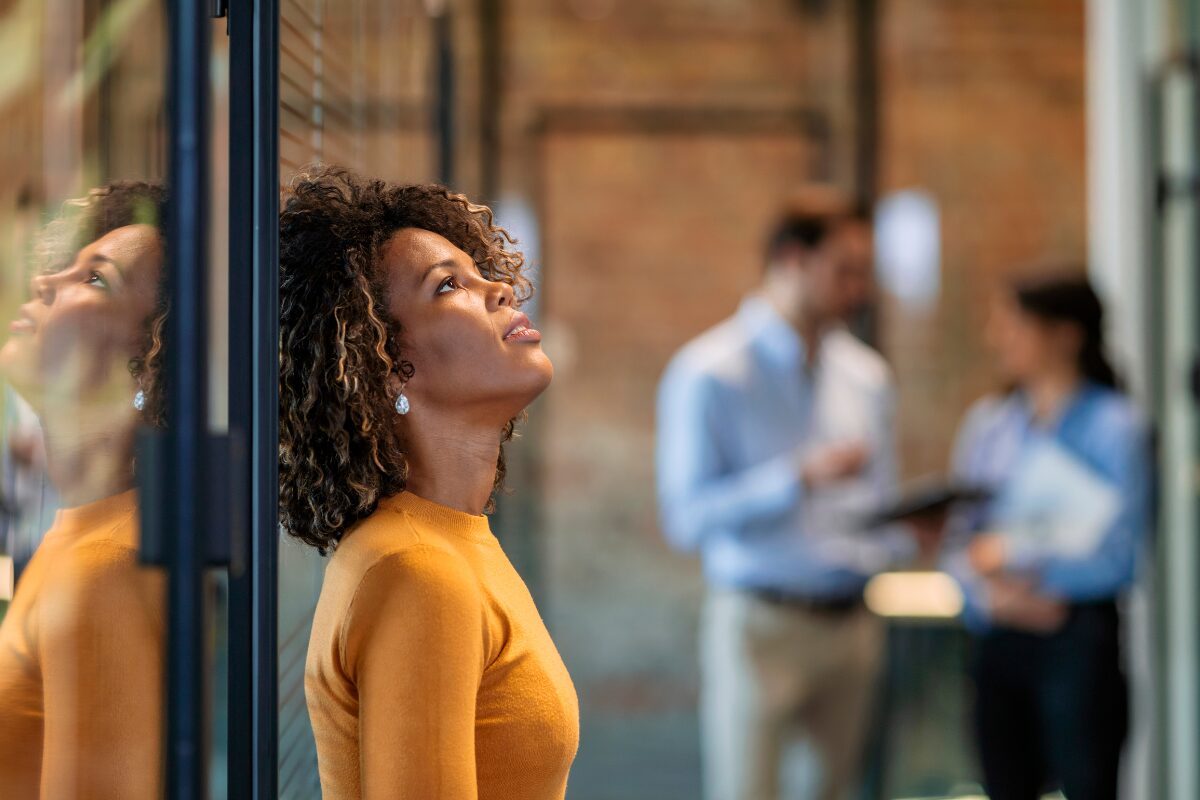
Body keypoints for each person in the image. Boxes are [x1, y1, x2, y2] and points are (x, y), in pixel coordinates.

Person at [278, 166, 578, 799]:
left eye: (479, 271)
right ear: (384, 364)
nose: (499, 288)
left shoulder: (445, 542)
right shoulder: (417, 569)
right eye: (449, 286)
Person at [656, 189, 919, 800]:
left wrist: (909, 530)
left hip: (852, 623)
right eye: (845, 270)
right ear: (792, 260)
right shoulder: (708, 372)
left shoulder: (867, 377)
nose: (859, 289)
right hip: (759, 624)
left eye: (865, 273)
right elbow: (686, 519)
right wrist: (795, 479)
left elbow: (878, 508)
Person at [941, 273, 1149, 800]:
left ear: (1064, 334)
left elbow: (1120, 554)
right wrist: (990, 596)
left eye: (1015, 325)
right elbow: (959, 541)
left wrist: (1029, 574)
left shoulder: (1116, 428)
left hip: (1078, 638)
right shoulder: (989, 427)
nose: (998, 337)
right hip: (999, 637)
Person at [0, 181, 168, 798]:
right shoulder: (87, 533)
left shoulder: (107, 569)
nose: (44, 283)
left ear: (146, 364)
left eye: (95, 278)